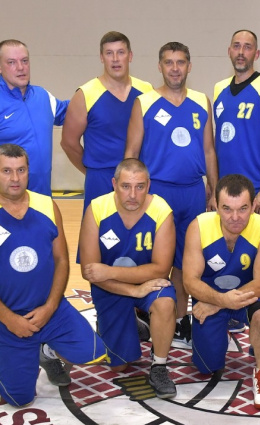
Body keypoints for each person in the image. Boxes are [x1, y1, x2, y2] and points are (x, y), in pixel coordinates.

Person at [125, 41, 218, 349]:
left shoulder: (201, 101)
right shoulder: (145, 102)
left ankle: (178, 320)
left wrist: (214, 189)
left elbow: (209, 150)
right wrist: (131, 193)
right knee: (154, 258)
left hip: (192, 191)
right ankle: (144, 313)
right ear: (159, 66)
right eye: (169, 62)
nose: (175, 68)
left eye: (180, 62)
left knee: (185, 260)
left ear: (189, 66)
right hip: (157, 192)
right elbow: (132, 152)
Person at [0, 144, 107, 407]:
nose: (15, 178)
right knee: (19, 399)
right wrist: (10, 319)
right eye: (6, 171)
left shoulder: (47, 205)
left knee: (93, 352)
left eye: (21, 170)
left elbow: (61, 260)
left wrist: (50, 307)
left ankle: (46, 350)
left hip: (50, 310)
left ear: (29, 171)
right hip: (7, 318)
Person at [79, 158, 177, 398]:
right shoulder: (97, 209)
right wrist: (133, 290)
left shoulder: (161, 210)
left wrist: (110, 271)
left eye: (140, 186)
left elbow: (161, 269)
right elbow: (90, 272)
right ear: (114, 184)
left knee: (165, 302)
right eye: (125, 186)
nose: (133, 194)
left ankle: (159, 367)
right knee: (119, 366)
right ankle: (134, 323)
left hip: (146, 283)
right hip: (110, 288)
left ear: (148, 185)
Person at [182, 174, 260, 410]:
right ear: (216, 205)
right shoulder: (198, 227)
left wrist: (219, 303)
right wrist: (220, 299)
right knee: (206, 367)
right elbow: (189, 281)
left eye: (243, 209)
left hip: (247, 297)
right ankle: (217, 335)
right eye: (227, 209)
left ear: (253, 206)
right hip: (211, 296)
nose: (235, 217)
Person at [61, 31, 153, 214]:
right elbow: (68, 143)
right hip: (100, 178)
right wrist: (92, 171)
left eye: (121, 52)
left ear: (130, 56)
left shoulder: (146, 90)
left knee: (139, 230)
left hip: (137, 179)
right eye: (109, 53)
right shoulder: (85, 94)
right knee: (96, 230)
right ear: (101, 57)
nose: (115, 59)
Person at [213, 30, 260, 229]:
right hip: (225, 190)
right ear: (229, 51)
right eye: (237, 46)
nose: (241, 52)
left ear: (256, 54)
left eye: (247, 47)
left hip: (256, 189)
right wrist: (214, 185)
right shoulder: (219, 89)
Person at [0, 40, 69, 195]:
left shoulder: (42, 96)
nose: (20, 67)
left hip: (42, 198)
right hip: (7, 201)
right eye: (11, 62)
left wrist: (97, 96)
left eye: (24, 61)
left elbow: (73, 112)